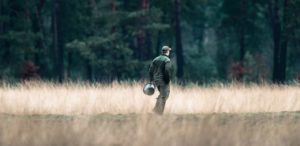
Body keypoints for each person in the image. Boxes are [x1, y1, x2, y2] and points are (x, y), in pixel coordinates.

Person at [149, 46, 172, 115]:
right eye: (169, 51)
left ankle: (156, 110)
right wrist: (167, 80)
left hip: (156, 80)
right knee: (165, 95)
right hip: (163, 80)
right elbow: (167, 70)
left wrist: (151, 80)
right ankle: (159, 112)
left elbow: (150, 70)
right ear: (167, 52)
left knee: (162, 95)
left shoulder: (155, 59)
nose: (169, 52)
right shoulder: (167, 60)